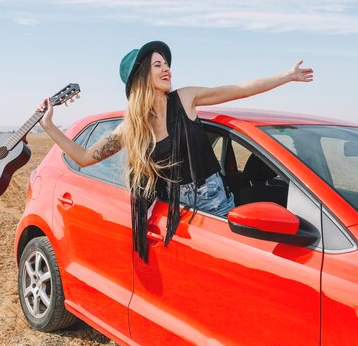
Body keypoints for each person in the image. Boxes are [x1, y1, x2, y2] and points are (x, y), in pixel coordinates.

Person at [38, 41, 313, 262]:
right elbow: (85, 158)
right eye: (157, 64)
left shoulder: (185, 98)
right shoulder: (131, 128)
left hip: (217, 211)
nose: (166, 68)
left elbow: (239, 90)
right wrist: (49, 125)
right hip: (175, 218)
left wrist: (286, 76)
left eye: (166, 63)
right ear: (141, 75)